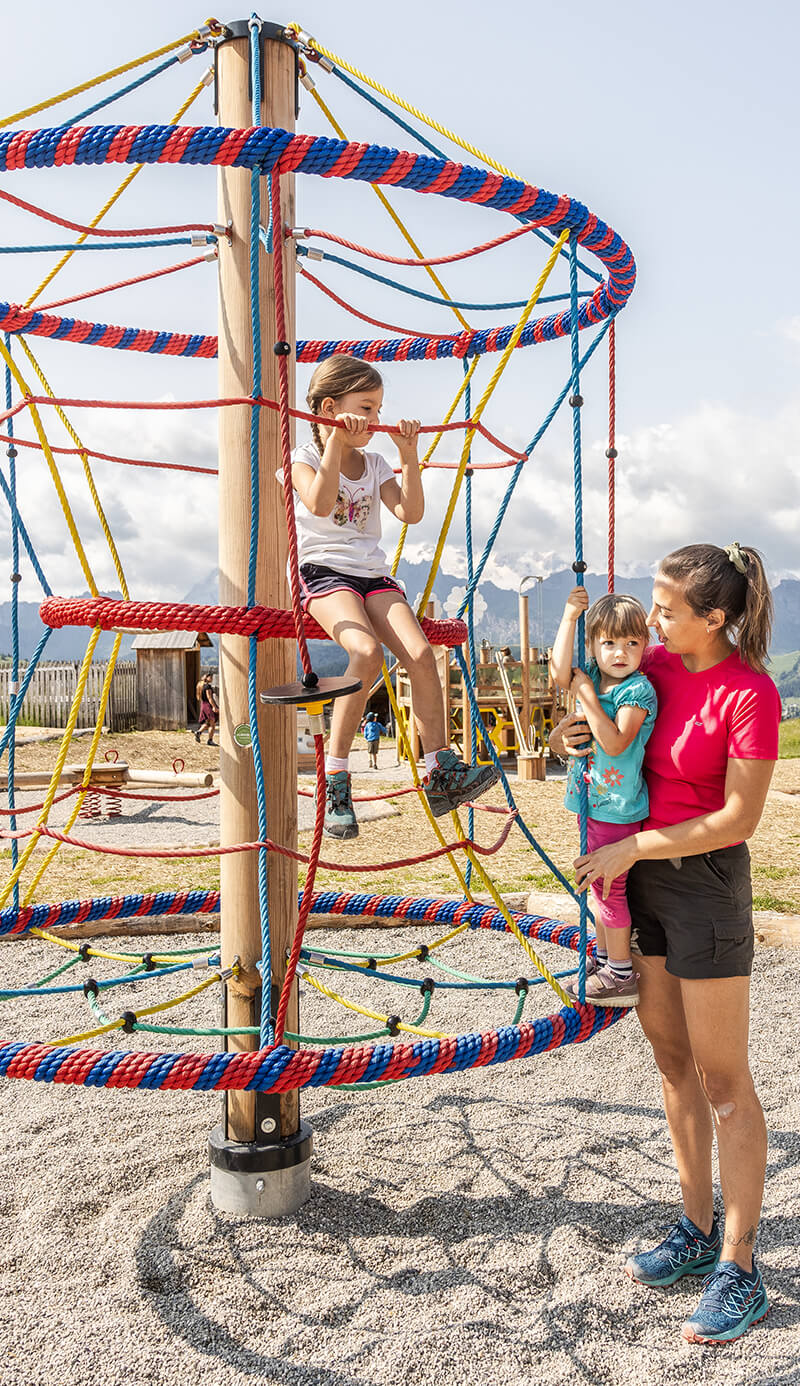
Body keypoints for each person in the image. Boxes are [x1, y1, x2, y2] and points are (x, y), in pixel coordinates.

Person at [549, 543, 780, 1345]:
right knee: (672, 1062)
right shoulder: (650, 669)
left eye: (668, 609)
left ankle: (740, 1266)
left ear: (714, 618)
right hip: (638, 875)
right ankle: (693, 1226)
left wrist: (633, 850)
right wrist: (575, 733)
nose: (652, 620)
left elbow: (739, 820)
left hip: (703, 882)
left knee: (723, 1081)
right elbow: (601, 730)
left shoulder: (750, 693)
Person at [278, 352, 499, 839]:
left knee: (421, 654)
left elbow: (411, 512)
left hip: (372, 575)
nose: (374, 419)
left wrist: (407, 457)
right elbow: (316, 502)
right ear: (332, 408)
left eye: (378, 409)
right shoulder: (304, 457)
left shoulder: (376, 463)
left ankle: (439, 770)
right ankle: (335, 774)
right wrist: (336, 438)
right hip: (321, 572)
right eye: (366, 407)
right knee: (365, 651)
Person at [549, 588, 657, 1006]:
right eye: (609, 642)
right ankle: (604, 955)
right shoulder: (592, 673)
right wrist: (568, 617)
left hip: (618, 809)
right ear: (594, 646)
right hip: (593, 802)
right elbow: (561, 673)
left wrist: (589, 700)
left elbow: (613, 743)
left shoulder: (636, 692)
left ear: (644, 646)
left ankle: (620, 974)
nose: (620, 652)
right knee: (597, 885)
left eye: (632, 642)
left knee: (608, 888)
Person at [195, 671, 218, 746]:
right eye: (210, 677)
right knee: (212, 724)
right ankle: (210, 740)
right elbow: (209, 697)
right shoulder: (207, 686)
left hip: (203, 705)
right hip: (208, 705)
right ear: (206, 677)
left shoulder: (200, 685)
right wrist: (214, 706)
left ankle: (198, 732)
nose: (211, 678)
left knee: (208, 723)